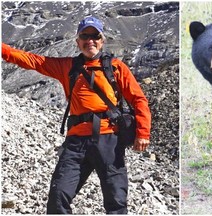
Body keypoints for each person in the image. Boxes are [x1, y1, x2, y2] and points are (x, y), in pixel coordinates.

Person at [2, 16, 151, 214]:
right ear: (77, 41)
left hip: (109, 140)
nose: (90, 40)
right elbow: (33, 61)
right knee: (58, 196)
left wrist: (143, 133)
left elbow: (139, 99)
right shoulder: (67, 67)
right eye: (85, 36)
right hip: (76, 143)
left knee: (116, 200)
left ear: (102, 40)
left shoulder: (116, 67)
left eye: (95, 35)